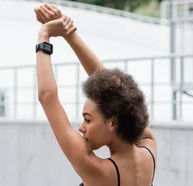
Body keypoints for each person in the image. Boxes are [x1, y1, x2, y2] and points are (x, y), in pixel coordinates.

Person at [33, 4, 157, 186]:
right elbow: (117, 90)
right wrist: (69, 33)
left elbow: (47, 96)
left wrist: (44, 35)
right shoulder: (150, 148)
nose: (81, 128)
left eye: (88, 120)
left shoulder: (98, 171)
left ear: (113, 122)